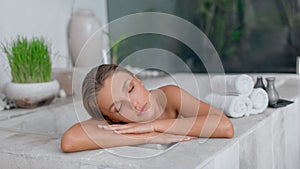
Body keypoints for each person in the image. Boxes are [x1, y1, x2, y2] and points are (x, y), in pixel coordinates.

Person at [61, 64, 234, 153]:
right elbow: (70, 141)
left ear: (138, 80)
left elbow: (224, 127)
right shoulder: (119, 123)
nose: (134, 104)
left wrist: (154, 126)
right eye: (119, 107)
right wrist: (146, 137)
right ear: (112, 119)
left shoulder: (170, 96)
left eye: (130, 89)